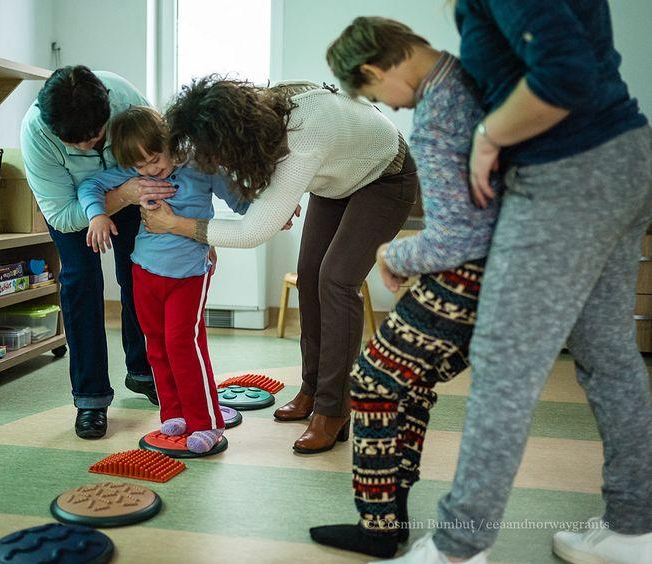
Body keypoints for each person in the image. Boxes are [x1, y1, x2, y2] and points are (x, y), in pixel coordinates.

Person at [388, 2, 652, 563]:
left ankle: (458, 548)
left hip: (566, 172)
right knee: (608, 353)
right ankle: (635, 529)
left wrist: (488, 136)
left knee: (504, 363)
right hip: (623, 156)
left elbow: (563, 73)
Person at [307, 17, 502, 559]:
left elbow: (454, 237)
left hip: (467, 274)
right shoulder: (464, 76)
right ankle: (388, 519)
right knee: (407, 383)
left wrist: (391, 253)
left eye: (375, 95)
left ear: (372, 69)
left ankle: (381, 529)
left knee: (372, 383)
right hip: (496, 269)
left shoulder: (438, 109)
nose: (390, 108)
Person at [140, 76, 419, 454]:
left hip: (386, 176)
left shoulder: (301, 140)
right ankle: (311, 389)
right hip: (339, 178)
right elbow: (263, 203)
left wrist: (173, 224)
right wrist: (270, 204)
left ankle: (333, 410)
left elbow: (251, 233)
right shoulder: (267, 113)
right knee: (309, 277)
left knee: (336, 280)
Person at [77, 106, 249, 453]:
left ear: (170, 141)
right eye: (140, 167)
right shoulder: (135, 172)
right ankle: (175, 414)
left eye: (155, 159)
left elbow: (240, 199)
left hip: (188, 276)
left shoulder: (201, 167)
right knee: (156, 345)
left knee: (184, 346)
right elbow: (90, 185)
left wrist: (277, 209)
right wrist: (97, 214)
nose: (150, 170)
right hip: (144, 271)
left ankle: (207, 422)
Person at [20, 66, 176, 439]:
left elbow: (158, 149)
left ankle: (143, 371)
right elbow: (60, 213)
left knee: (139, 276)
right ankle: (90, 399)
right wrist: (117, 198)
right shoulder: (36, 136)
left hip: (131, 191)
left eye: (95, 138)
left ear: (108, 113)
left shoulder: (124, 97)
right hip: (73, 207)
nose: (88, 148)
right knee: (81, 284)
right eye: (76, 144)